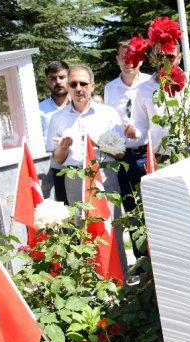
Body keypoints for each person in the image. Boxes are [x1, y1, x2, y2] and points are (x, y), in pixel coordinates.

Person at [46, 65, 128, 273]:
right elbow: (57, 159)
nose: (79, 88)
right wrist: (63, 148)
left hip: (105, 176)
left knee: (112, 229)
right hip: (75, 180)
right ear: (68, 87)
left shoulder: (108, 114)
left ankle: (121, 284)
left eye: (83, 83)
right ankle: (92, 287)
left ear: (92, 86)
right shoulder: (58, 118)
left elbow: (121, 153)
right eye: (73, 84)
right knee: (83, 232)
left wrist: (97, 142)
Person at [104, 40, 151, 259]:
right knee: (131, 209)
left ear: (140, 59)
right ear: (117, 60)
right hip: (124, 157)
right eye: (123, 57)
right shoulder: (110, 88)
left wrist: (140, 132)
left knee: (152, 208)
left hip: (147, 153)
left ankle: (157, 262)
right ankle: (141, 263)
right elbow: (109, 124)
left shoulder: (150, 83)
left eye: (132, 57)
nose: (127, 62)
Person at [129, 45, 190, 155]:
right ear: (153, 58)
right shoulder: (144, 89)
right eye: (160, 56)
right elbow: (140, 125)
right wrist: (134, 132)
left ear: (179, 58)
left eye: (170, 57)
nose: (165, 61)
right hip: (161, 155)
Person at [39, 60, 70, 204]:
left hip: (82, 167)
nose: (58, 82)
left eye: (62, 77)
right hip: (55, 171)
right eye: (52, 78)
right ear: (47, 81)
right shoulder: (40, 110)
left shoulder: (79, 104)